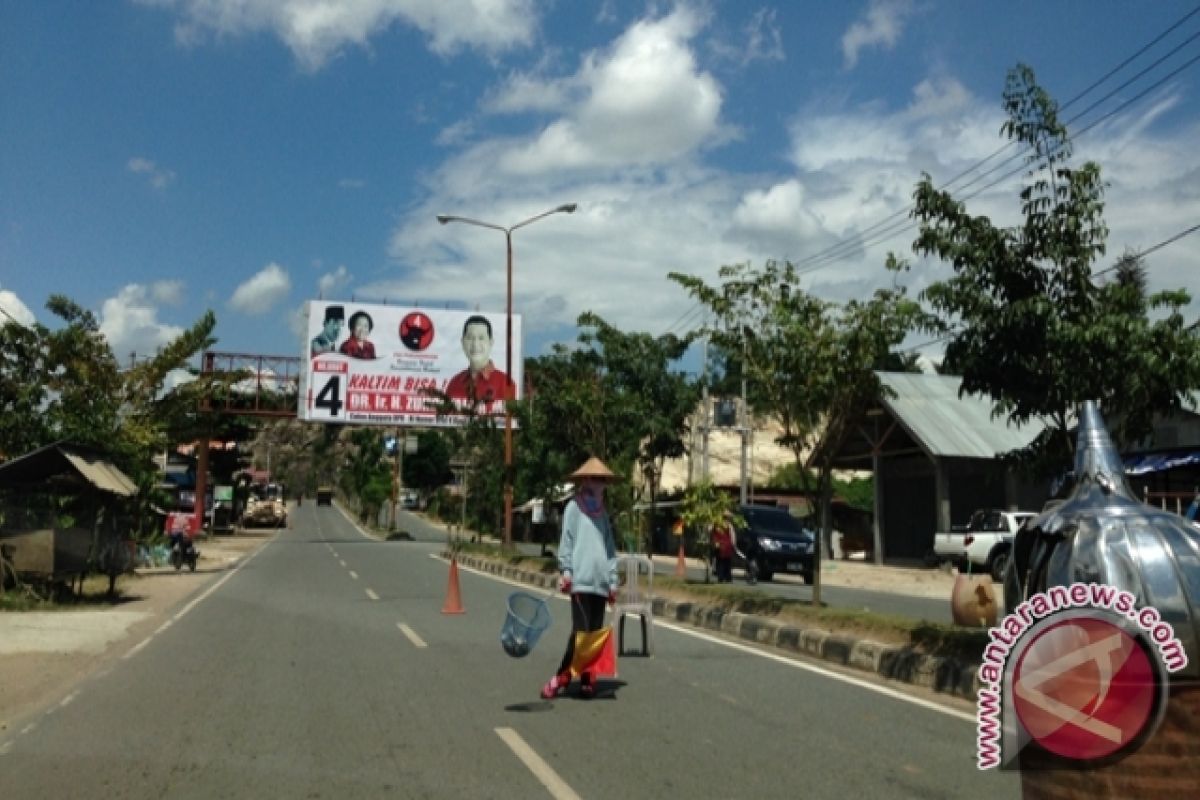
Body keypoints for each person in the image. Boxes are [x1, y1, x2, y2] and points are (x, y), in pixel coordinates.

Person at [541, 456, 619, 700]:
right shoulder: (573, 508)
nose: (600, 484)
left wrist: (613, 581)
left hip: (600, 582)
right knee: (580, 633)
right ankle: (561, 677)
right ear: (585, 480)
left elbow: (609, 549)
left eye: (603, 480)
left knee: (594, 635)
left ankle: (588, 677)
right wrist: (566, 572)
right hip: (581, 582)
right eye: (596, 479)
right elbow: (567, 543)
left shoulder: (603, 513)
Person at [445, 315, 512, 409]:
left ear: (491, 342)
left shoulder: (505, 383)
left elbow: (513, 420)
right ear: (462, 342)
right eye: (470, 338)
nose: (475, 344)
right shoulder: (454, 383)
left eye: (481, 338)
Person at [711, 515, 734, 583]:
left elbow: (732, 535)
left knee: (723, 562)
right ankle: (725, 577)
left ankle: (724, 577)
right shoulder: (720, 524)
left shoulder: (727, 525)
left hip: (724, 544)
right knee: (724, 562)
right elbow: (732, 535)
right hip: (723, 544)